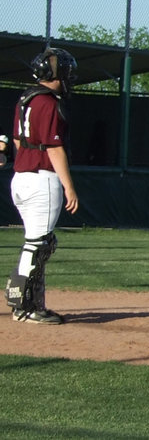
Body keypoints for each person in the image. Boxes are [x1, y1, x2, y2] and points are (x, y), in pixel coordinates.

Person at [5, 48, 79, 324]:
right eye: (65, 71)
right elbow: (54, 147)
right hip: (41, 179)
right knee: (39, 244)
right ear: (54, 73)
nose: (68, 77)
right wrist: (68, 186)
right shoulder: (48, 102)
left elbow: (16, 140)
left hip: (21, 177)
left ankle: (33, 302)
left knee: (38, 242)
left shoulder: (26, 98)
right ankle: (23, 304)